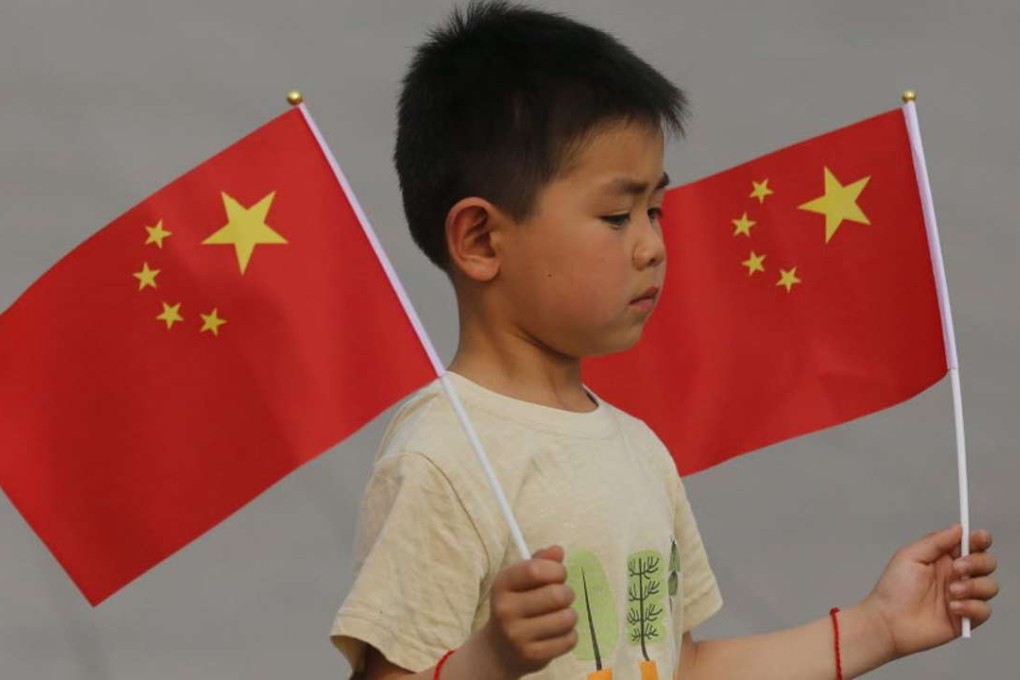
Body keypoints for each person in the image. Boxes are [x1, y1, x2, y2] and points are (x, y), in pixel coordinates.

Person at [330, 2, 999, 678]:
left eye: (655, 209)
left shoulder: (638, 449)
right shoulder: (442, 459)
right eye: (618, 215)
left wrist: (877, 626)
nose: (652, 245)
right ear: (480, 239)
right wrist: (489, 659)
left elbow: (684, 666)